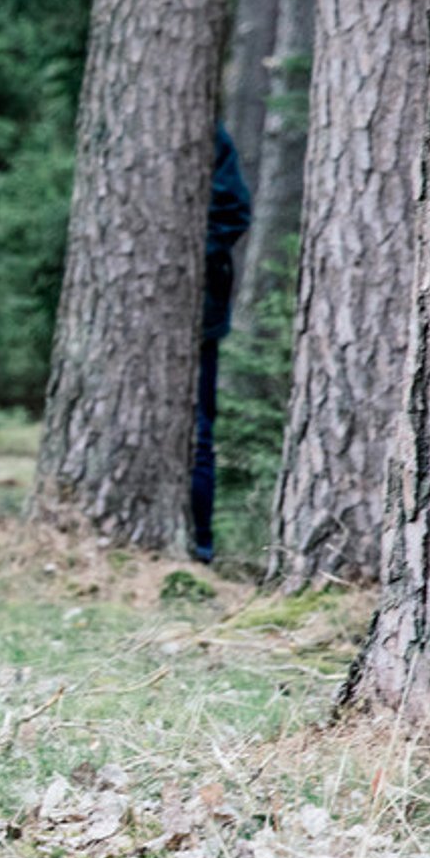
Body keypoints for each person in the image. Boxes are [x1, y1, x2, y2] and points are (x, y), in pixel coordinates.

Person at [194, 124, 253, 563]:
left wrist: (191, 252)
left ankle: (200, 544)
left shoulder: (207, 135)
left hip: (201, 307)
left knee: (198, 430)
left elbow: (236, 210)